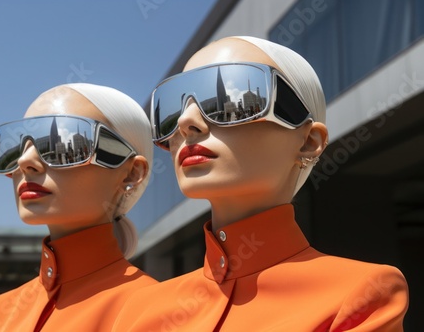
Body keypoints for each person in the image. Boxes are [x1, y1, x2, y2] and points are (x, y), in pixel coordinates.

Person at [113, 36, 409, 331]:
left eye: (230, 98)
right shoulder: (139, 310)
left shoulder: (361, 295)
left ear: (307, 142)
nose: (186, 121)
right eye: (172, 108)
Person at [0, 83, 157, 331]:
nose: (24, 161)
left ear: (131, 173)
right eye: (17, 146)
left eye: (61, 141)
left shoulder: (160, 314)